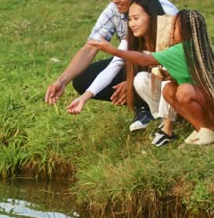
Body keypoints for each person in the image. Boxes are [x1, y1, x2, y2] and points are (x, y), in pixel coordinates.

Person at [44, 0, 177, 131]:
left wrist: (131, 82)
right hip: (139, 65)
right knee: (83, 78)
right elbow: (94, 49)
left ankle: (172, 113)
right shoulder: (118, 17)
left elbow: (175, 60)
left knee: (144, 78)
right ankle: (145, 107)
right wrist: (65, 83)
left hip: (170, 67)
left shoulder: (164, 11)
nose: (115, 0)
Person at [88, 10, 214, 145]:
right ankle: (200, 128)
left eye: (176, 27)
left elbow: (145, 60)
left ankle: (208, 129)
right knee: (169, 90)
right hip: (204, 101)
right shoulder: (196, 48)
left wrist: (112, 50)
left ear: (188, 32)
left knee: (184, 91)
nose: (171, 31)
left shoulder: (182, 49)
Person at [68, 0, 178, 146]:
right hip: (164, 91)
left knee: (164, 75)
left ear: (151, 17)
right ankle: (162, 118)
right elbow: (111, 69)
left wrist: (112, 50)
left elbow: (164, 69)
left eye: (136, 18)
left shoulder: (168, 36)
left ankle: (168, 129)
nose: (131, 24)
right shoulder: (131, 39)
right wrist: (84, 97)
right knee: (140, 80)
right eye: (129, 19)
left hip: (182, 89)